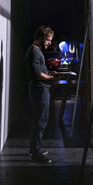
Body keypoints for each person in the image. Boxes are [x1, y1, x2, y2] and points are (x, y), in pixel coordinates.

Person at [25, 25, 59, 163]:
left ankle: (34, 149)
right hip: (40, 90)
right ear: (40, 38)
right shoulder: (34, 52)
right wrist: (51, 78)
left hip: (39, 89)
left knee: (38, 120)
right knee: (40, 122)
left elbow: (39, 70)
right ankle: (36, 153)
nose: (50, 43)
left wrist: (49, 73)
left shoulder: (35, 51)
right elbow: (38, 74)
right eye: (48, 40)